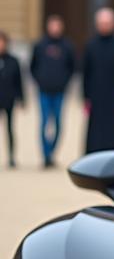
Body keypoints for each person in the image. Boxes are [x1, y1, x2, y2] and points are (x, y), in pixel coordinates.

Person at [29, 13, 77, 168]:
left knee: (57, 123)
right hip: (44, 90)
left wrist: (65, 82)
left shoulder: (67, 46)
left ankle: (52, 151)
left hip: (59, 91)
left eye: (57, 26)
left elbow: (73, 67)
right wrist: (39, 81)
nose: (55, 29)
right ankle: (45, 155)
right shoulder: (40, 45)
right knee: (44, 123)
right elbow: (32, 67)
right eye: (52, 25)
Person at [81, 6, 114, 152]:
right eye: (102, 23)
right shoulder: (91, 45)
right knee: (95, 130)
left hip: (113, 95)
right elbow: (86, 73)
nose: (105, 26)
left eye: (107, 23)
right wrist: (85, 95)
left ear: (113, 24)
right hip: (95, 94)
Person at [0, 30, 25, 168]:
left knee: (9, 129)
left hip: (8, 99)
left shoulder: (13, 61)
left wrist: (22, 99)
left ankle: (11, 157)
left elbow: (19, 81)